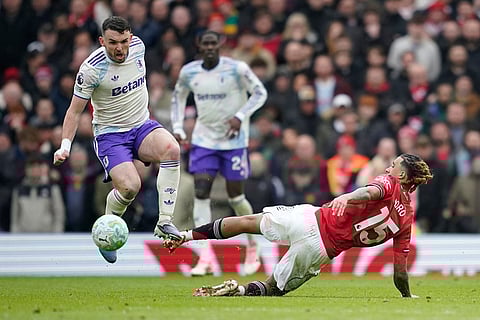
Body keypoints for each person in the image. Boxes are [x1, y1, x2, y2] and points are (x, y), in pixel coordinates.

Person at [164, 154, 433, 297]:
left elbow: (369, 192)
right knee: (272, 289)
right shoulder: (406, 220)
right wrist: (407, 297)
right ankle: (239, 290)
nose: (388, 169)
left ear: (402, 175)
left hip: (309, 218)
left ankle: (185, 235)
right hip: (320, 249)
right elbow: (400, 273)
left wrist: (347, 196)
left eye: (393, 165)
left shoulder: (389, 183)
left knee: (247, 222)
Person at [53, 16, 182, 264]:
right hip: (111, 136)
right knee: (130, 186)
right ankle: (107, 230)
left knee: (172, 149)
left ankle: (164, 222)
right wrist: (65, 146)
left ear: (131, 38)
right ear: (102, 41)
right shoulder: (91, 69)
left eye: (123, 41)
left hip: (141, 125)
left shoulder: (139, 48)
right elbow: (73, 111)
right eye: (112, 43)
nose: (119, 48)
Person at [170, 30, 268, 276]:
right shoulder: (189, 71)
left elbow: (260, 93)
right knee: (201, 193)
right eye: (206, 43)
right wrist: (179, 127)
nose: (211, 47)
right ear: (199, 46)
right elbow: (178, 97)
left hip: (234, 142)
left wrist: (240, 116)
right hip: (204, 141)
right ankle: (205, 257)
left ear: (221, 45)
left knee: (236, 197)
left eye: (214, 43)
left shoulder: (237, 69)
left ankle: (253, 246)